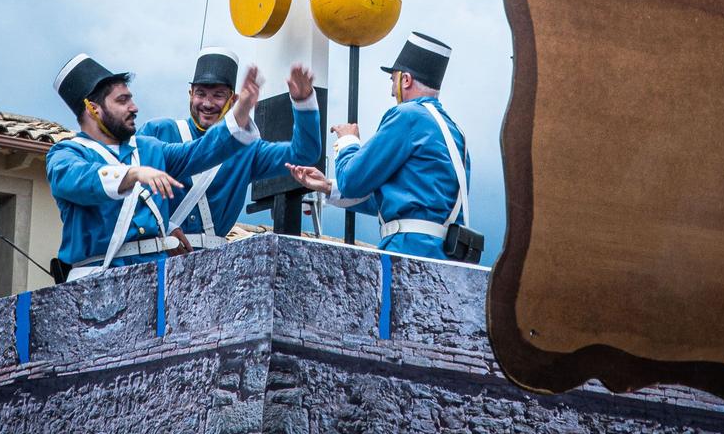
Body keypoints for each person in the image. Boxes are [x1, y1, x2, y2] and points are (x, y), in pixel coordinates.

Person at [46, 52, 262, 281]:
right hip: (97, 277)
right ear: (93, 109)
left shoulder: (147, 149)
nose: (134, 108)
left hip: (155, 278)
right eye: (122, 101)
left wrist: (238, 116)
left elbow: (200, 152)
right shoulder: (65, 154)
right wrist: (132, 174)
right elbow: (79, 179)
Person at [284, 32, 478, 262]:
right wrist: (328, 187)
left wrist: (348, 141)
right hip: (446, 258)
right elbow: (399, 199)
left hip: (405, 251)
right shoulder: (456, 133)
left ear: (405, 80)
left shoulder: (408, 116)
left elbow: (352, 180)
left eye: (393, 80)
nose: (391, 89)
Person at [140, 49, 323, 247]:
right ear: (190, 94)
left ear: (234, 100)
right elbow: (130, 187)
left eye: (218, 95)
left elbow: (304, 154)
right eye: (201, 94)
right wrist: (164, 228)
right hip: (156, 252)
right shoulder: (157, 131)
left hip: (213, 263)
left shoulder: (247, 150)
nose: (208, 103)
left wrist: (304, 103)